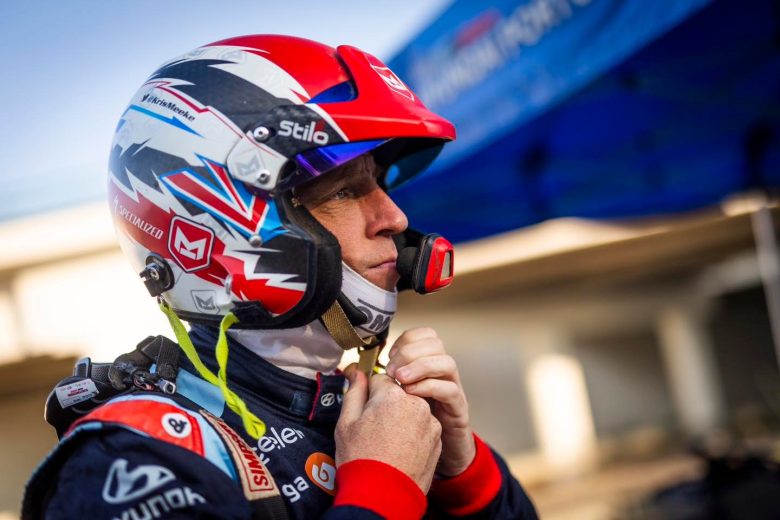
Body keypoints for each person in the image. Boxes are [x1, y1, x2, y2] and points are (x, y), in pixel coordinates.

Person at [22, 35, 537, 519]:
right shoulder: (128, 460)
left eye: (380, 184)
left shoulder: (358, 411)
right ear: (220, 224)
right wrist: (383, 492)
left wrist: (464, 474)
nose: (396, 218)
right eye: (342, 191)